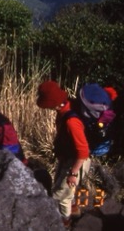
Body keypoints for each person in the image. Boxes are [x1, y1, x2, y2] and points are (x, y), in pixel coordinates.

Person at [37, 80, 91, 227]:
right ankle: (74, 213)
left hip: (77, 161)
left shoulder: (71, 121)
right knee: (65, 191)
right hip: (68, 157)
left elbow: (83, 151)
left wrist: (73, 173)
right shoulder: (64, 109)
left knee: (60, 196)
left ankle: (64, 224)